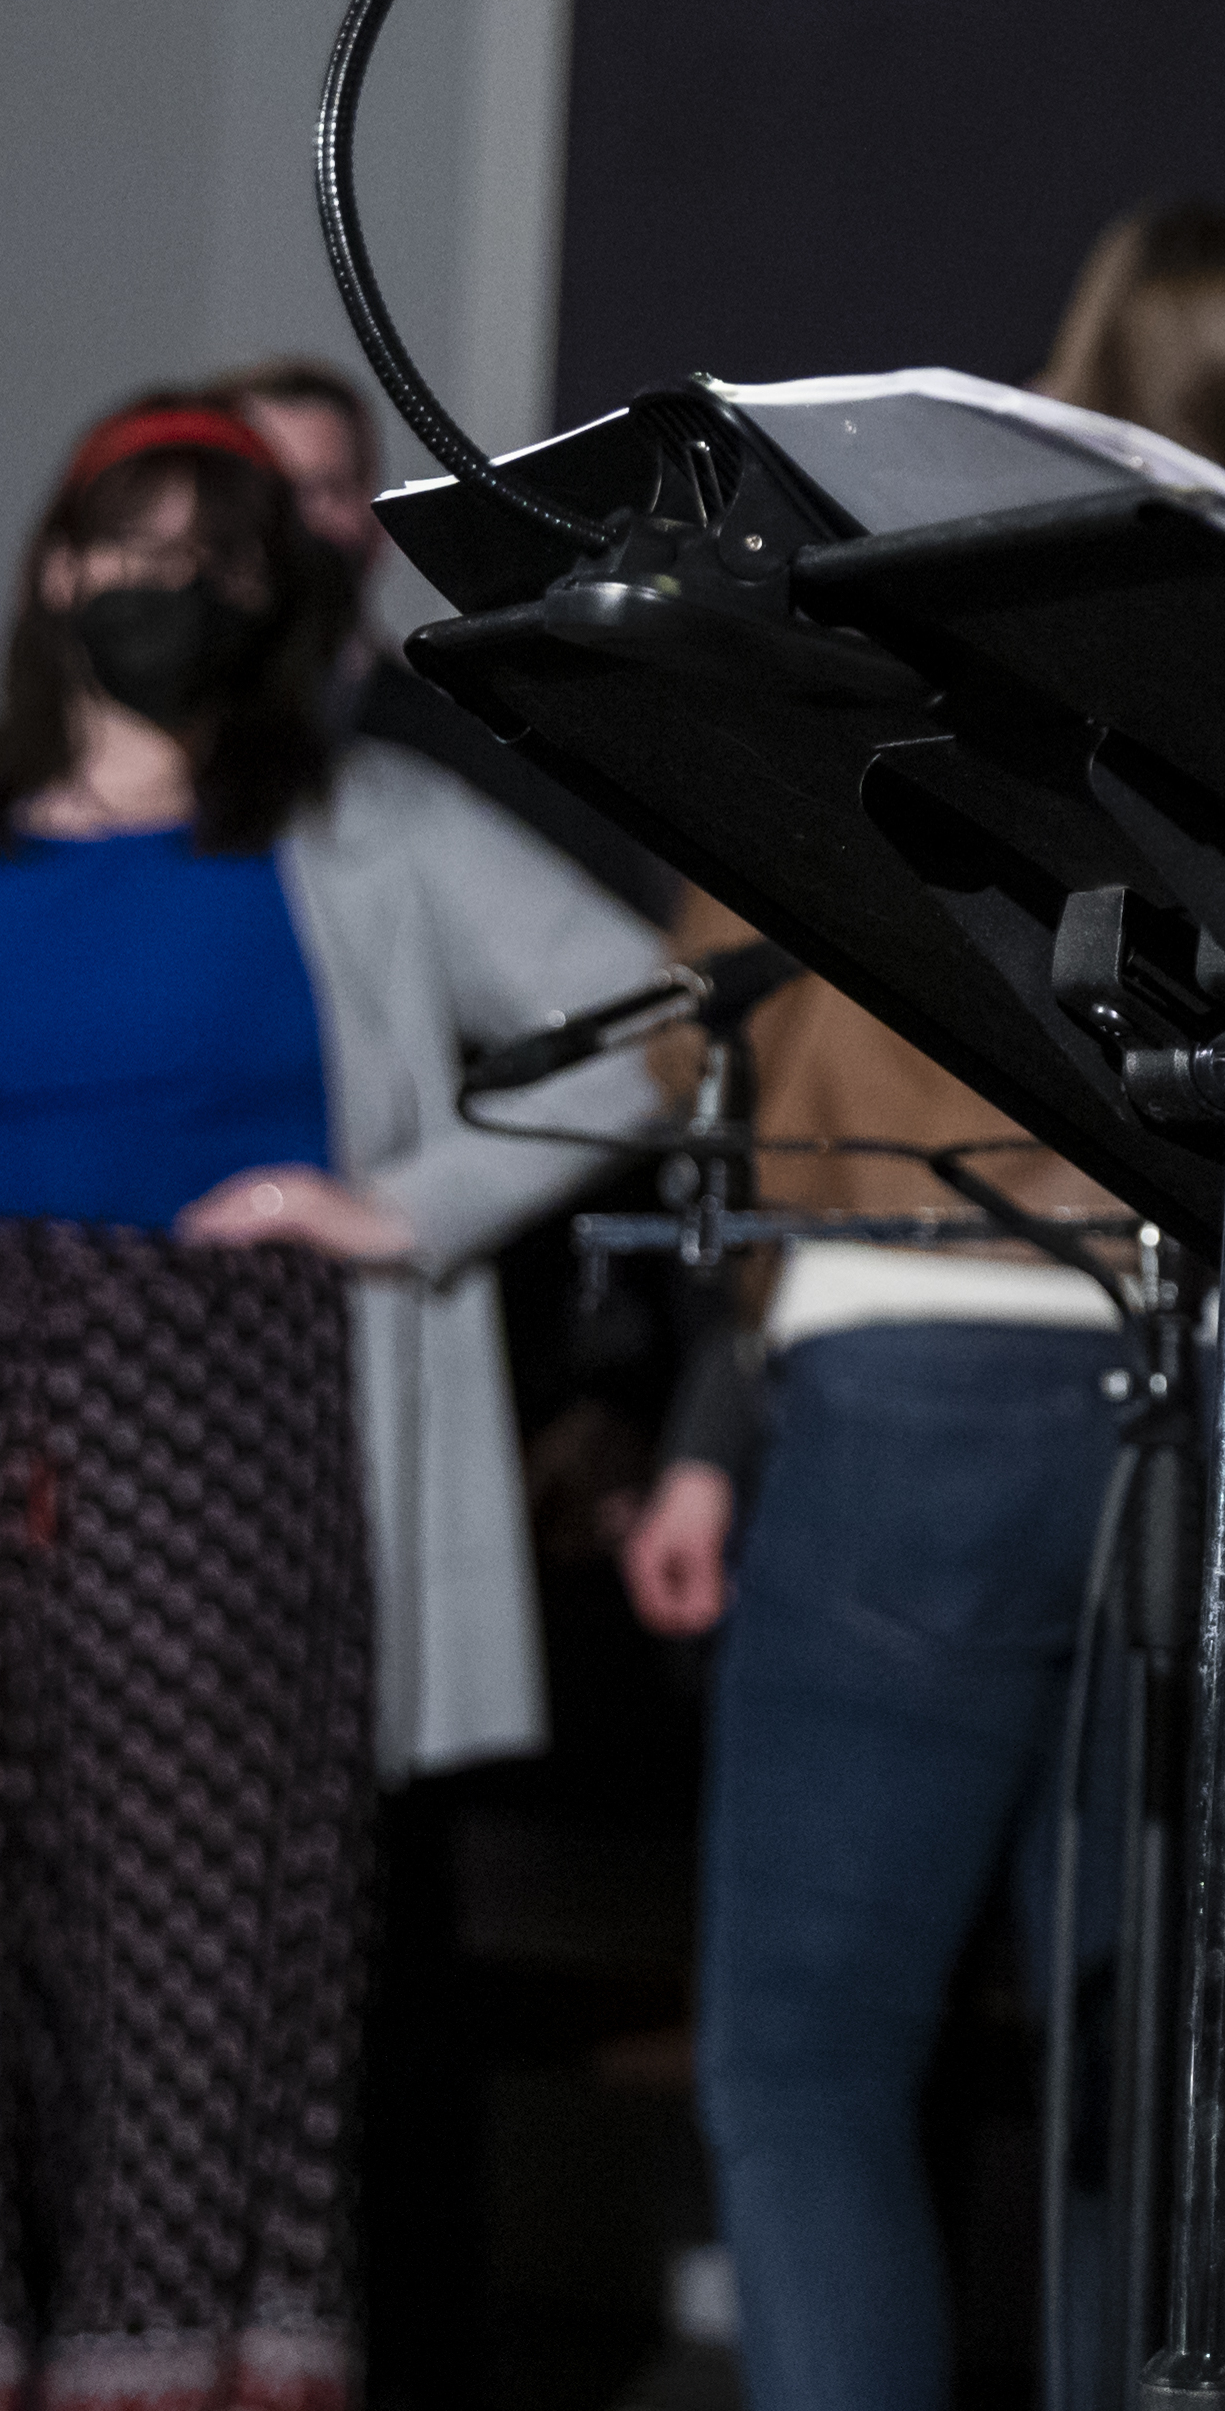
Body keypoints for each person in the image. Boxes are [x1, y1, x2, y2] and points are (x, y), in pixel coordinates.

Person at [612, 200, 1225, 2411]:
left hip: (910, 1353)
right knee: (1137, 2084)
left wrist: (710, 1428)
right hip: (1200, 1378)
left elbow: (701, 1037)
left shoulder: (891, 623)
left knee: (810, 2061)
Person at [0, 392, 669, 2405]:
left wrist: (396, 1205)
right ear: (54, 574)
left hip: (225, 1424)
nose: (166, 596)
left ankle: (169, 2356)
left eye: (216, 563)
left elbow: (649, 1027)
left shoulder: (362, 824)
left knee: (191, 1949)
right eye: (132, 552)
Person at [214, 351, 677, 919]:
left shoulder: (473, 749)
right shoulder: (169, 747)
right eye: (270, 491)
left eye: (325, 489)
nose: (297, 523)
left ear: (374, 519)